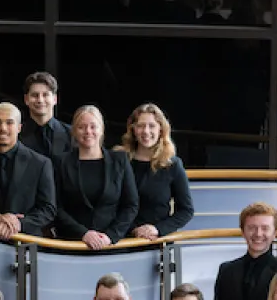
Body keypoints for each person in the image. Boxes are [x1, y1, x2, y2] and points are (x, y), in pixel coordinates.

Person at [53, 105, 138, 249]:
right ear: (74, 131)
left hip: (112, 246)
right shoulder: (60, 162)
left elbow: (131, 205)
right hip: (71, 245)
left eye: (93, 126)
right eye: (82, 127)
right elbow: (55, 206)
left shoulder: (120, 160)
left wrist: (110, 236)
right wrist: (83, 233)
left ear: (102, 129)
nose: (88, 131)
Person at [0, 102, 57, 239]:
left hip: (27, 241)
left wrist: (19, 224)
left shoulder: (41, 163)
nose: (3, 128)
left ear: (19, 127)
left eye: (9, 123)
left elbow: (48, 209)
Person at [119, 103, 193, 239]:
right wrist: (133, 230)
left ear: (161, 130)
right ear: (133, 129)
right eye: (141, 126)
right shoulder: (118, 160)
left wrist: (157, 229)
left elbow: (186, 211)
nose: (146, 131)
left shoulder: (173, 164)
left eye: (152, 126)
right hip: (121, 239)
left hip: (156, 242)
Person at [18, 71, 72, 162]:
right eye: (35, 95)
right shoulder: (17, 134)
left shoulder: (71, 134)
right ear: (26, 99)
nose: (40, 100)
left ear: (55, 99)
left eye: (45, 95)